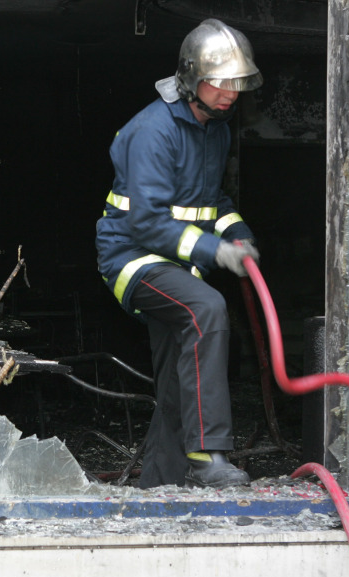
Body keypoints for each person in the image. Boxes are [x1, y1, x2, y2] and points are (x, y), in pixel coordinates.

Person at [95, 18, 263, 488]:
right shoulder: (153, 131)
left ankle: (159, 486)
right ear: (192, 78)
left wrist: (237, 234)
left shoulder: (216, 130)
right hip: (132, 259)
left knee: (177, 380)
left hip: (177, 262)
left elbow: (214, 204)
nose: (230, 92)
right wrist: (214, 252)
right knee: (206, 307)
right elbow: (147, 222)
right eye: (219, 82)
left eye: (238, 82)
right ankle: (209, 456)